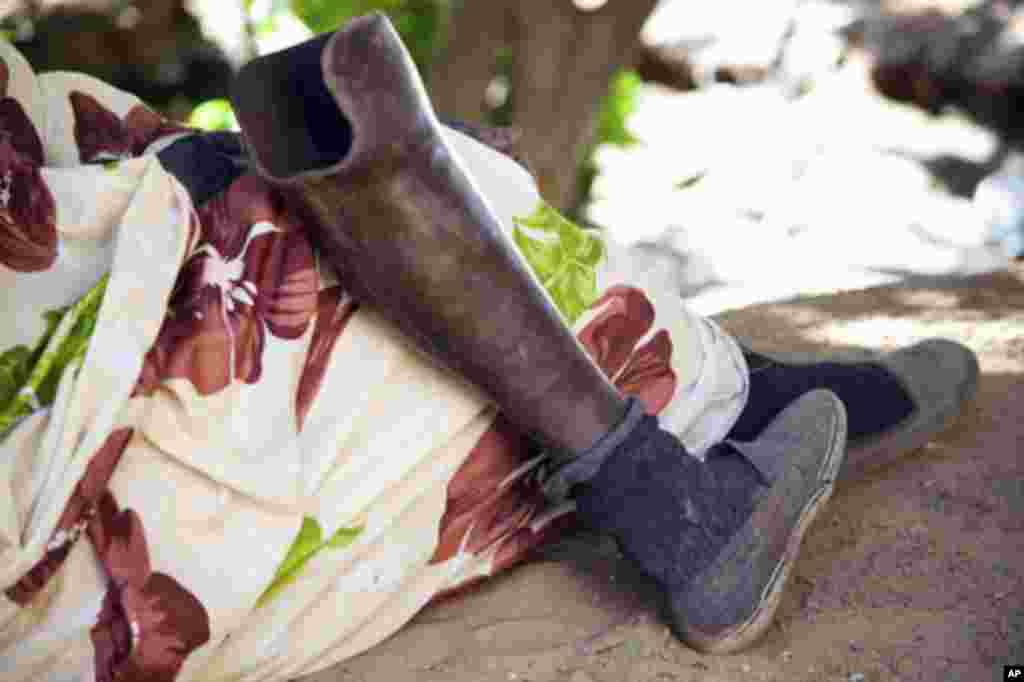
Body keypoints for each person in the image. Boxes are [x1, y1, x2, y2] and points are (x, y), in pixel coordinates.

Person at [0, 14, 977, 681]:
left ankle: (705, 416)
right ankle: (686, 478)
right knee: (363, 238)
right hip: (67, 533)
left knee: (343, 157)